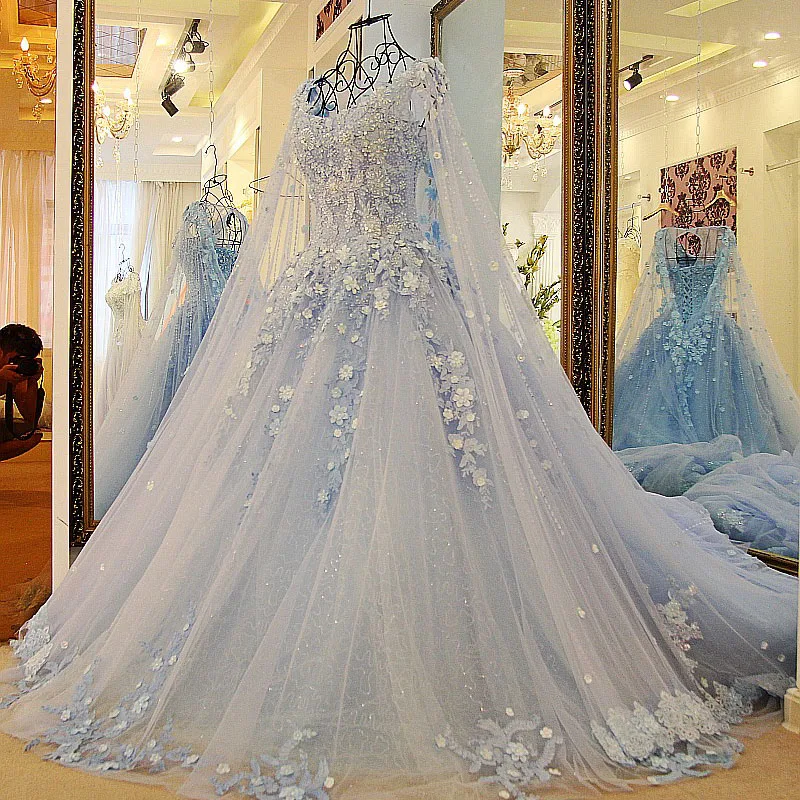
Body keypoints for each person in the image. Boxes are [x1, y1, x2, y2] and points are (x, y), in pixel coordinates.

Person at [0, 323, 44, 461]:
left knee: (31, 434)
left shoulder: (17, 372)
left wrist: (32, 381)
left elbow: (30, 418)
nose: (19, 363)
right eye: (16, 358)